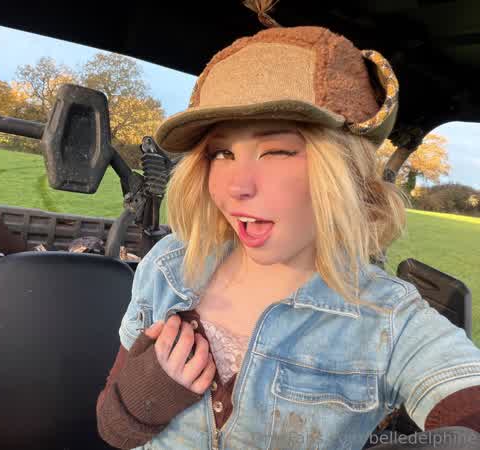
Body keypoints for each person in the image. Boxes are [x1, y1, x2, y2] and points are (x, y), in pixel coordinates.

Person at [96, 17, 480, 450]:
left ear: (343, 169)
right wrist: (145, 396)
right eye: (221, 153)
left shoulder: (388, 317)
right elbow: (112, 428)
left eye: (276, 151)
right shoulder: (168, 266)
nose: (236, 186)